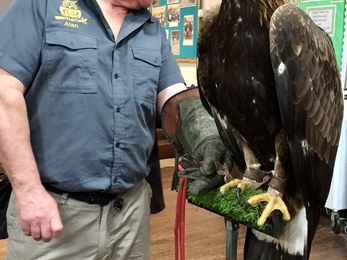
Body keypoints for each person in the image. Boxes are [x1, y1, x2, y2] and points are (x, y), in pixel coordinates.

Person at [0, 0, 229, 259]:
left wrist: (208, 136)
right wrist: (28, 191)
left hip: (130, 213)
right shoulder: (41, 7)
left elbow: (175, 98)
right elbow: (4, 92)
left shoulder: (152, 29)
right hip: (54, 211)